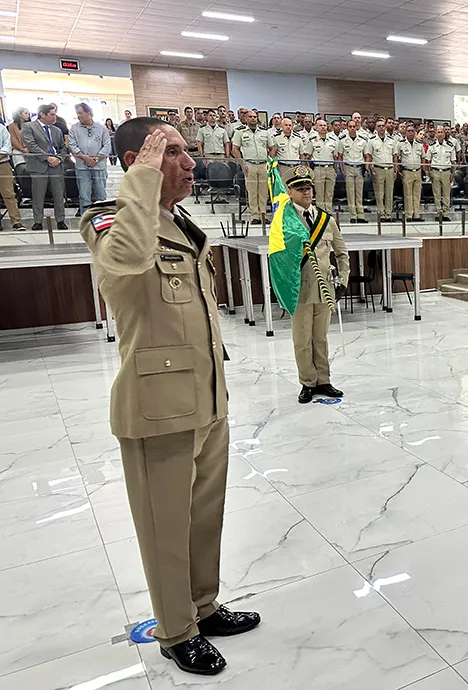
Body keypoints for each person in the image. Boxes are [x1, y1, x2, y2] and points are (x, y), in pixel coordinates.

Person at [81, 120, 259, 676]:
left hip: (206, 397)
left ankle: (202, 607)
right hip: (157, 404)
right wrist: (137, 182)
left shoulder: (179, 220)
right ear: (139, 160)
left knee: (204, 515)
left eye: (187, 151)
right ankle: (176, 630)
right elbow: (124, 263)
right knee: (164, 524)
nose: (190, 162)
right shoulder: (112, 219)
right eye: (173, 152)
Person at [280, 166, 350, 404]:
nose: (307, 192)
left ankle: (324, 380)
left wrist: (343, 280)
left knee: (320, 338)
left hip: (325, 289)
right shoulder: (284, 220)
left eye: (309, 187)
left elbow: (341, 253)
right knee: (302, 339)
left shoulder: (326, 220)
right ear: (290, 191)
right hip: (299, 290)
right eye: (300, 188)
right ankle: (307, 383)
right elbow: (278, 258)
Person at [22, 104, 69, 231]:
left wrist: (59, 158)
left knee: (59, 194)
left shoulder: (57, 130)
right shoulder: (28, 127)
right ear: (42, 114)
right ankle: (38, 221)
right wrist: (48, 157)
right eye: (52, 114)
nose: (55, 117)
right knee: (38, 195)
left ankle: (60, 220)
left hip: (56, 166)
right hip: (39, 165)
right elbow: (31, 145)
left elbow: (63, 147)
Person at [230, 110, 275, 225]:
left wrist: (269, 162)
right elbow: (235, 149)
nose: (253, 119)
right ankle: (255, 216)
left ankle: (263, 215)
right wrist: (242, 163)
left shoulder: (265, 132)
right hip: (249, 165)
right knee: (252, 191)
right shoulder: (240, 132)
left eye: (255, 117)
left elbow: (272, 148)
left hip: (263, 165)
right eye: (250, 117)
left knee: (264, 192)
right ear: (245, 118)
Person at [69, 102, 113, 213]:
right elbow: (72, 145)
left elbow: (107, 146)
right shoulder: (74, 128)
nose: (79, 116)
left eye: (81, 113)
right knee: (84, 195)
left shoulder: (101, 128)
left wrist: (96, 159)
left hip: (99, 166)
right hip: (82, 167)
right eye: (77, 114)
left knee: (101, 194)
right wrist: (85, 158)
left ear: (89, 113)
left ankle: (102, 218)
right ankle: (85, 219)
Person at [365, 119, 397, 222]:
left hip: (390, 169)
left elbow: (395, 156)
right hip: (378, 169)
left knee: (389, 193)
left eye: (383, 125)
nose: (381, 128)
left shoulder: (392, 140)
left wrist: (396, 170)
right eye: (379, 126)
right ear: (376, 128)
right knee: (379, 194)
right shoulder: (372, 140)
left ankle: (388, 214)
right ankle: (381, 214)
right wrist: (371, 170)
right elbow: (369, 157)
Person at [0, 111, 26, 231]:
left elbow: (7, 147)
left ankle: (16, 222)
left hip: (3, 164)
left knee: (9, 194)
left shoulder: (2, 129)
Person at [424, 125, 456, 222]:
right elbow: (427, 161)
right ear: (436, 133)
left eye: (442, 132)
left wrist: (452, 174)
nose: (440, 134)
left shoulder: (450, 146)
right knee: (437, 194)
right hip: (435, 171)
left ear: (444, 133)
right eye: (438, 132)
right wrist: (429, 173)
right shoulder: (432, 146)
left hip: (446, 172)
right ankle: (439, 213)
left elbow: (453, 162)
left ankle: (446, 213)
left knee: (446, 194)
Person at [309, 119, 340, 213]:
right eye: (321, 125)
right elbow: (307, 156)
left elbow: (335, 157)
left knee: (329, 193)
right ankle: (320, 213)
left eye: (325, 125)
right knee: (319, 193)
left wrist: (335, 170)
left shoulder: (333, 140)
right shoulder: (312, 140)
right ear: (316, 127)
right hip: (318, 168)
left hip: (330, 168)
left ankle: (329, 212)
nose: (323, 127)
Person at [340, 119, 368, 223]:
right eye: (350, 126)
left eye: (354, 126)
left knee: (359, 193)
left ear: (357, 127)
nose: (352, 128)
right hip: (348, 167)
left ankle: (361, 215)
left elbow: (366, 156)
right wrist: (342, 169)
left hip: (359, 168)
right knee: (350, 193)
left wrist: (366, 169)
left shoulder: (362, 139)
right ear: (347, 128)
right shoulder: (342, 140)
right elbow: (340, 156)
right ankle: (353, 216)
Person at [398, 124, 424, 222]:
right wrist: (399, 170)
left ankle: (416, 215)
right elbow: (397, 157)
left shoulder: (419, 144)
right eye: (409, 131)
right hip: (407, 171)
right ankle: (409, 215)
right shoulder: (401, 144)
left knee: (417, 194)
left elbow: (422, 158)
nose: (411, 133)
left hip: (417, 171)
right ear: (405, 133)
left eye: (412, 131)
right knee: (408, 195)